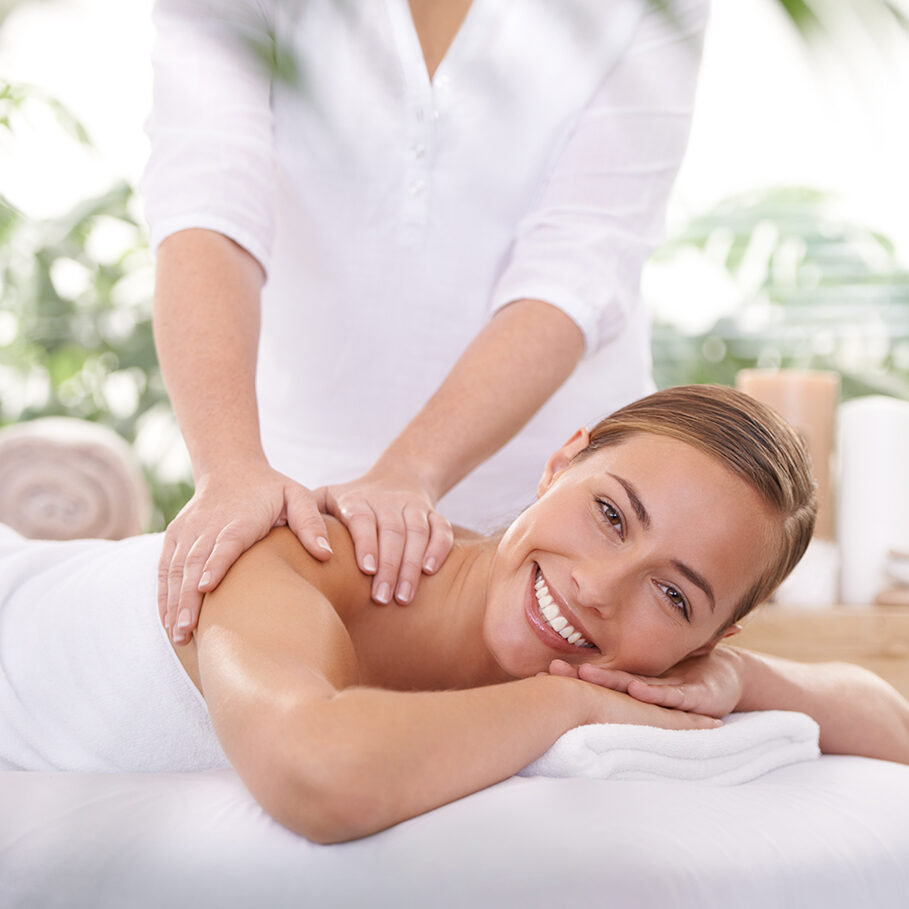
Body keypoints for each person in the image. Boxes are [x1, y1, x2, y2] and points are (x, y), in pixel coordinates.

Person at [4, 386, 907, 843]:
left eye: (674, 593)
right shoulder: (304, 554)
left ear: (708, 637)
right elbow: (314, 775)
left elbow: (887, 724)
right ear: (560, 461)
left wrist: (741, 678)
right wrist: (572, 704)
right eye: (608, 512)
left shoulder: (669, 655)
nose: (600, 586)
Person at [143, 0, 712, 644]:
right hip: (292, 498)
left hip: (566, 521)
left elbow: (580, 262)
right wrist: (230, 469)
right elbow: (207, 203)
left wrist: (410, 472)